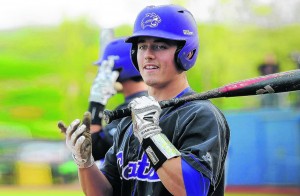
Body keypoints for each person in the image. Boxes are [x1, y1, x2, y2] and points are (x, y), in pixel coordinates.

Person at [59, 4, 230, 196]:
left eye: (160, 46)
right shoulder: (128, 120)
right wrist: (85, 162)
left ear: (187, 52)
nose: (148, 54)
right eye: (142, 46)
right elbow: (103, 193)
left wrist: (150, 134)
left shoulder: (201, 115)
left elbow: (193, 190)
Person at [88, 37, 148, 162]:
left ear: (118, 70)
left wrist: (96, 104)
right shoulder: (154, 98)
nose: (101, 75)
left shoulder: (130, 108)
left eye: (106, 70)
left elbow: (94, 151)